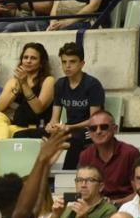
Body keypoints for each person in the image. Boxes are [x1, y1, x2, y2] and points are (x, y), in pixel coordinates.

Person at [0, 42, 55, 176]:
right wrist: (18, 86)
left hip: (35, 127)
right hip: (16, 126)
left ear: (41, 63)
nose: (28, 61)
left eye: (33, 58)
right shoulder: (14, 81)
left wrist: (25, 84)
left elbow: (38, 108)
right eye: (25, 57)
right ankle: (1, 166)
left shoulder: (48, 80)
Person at [45, 42, 104, 170]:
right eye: (64, 62)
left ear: (82, 64)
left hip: (91, 130)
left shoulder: (92, 85)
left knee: (77, 137)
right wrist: (51, 126)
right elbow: (55, 117)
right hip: (68, 128)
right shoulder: (60, 84)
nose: (67, 66)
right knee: (25, 134)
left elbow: (94, 121)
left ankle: (67, 173)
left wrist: (69, 127)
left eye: (72, 62)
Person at [76, 111, 139, 205]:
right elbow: (82, 189)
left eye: (104, 127)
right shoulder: (85, 155)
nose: (98, 131)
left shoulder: (130, 153)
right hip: (95, 209)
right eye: (93, 128)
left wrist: (115, 203)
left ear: (115, 129)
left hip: (126, 208)